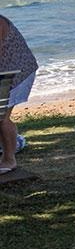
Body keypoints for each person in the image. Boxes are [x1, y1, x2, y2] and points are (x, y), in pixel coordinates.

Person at [0, 15, 37, 175]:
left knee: (1, 116)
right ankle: (15, 143)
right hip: (5, 69)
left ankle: (9, 159)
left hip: (16, 71)